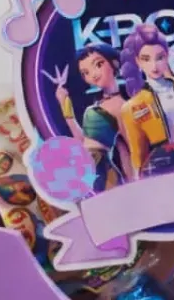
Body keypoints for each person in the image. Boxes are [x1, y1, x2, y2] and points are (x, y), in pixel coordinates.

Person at [120, 23, 174, 177]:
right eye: (146, 59)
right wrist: (138, 183)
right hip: (161, 169)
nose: (154, 65)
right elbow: (138, 154)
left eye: (159, 57)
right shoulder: (132, 106)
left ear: (167, 56)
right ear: (138, 61)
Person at [55, 44, 129, 191]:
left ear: (114, 63)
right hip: (90, 170)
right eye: (85, 73)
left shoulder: (121, 106)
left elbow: (127, 150)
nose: (93, 75)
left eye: (98, 65)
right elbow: (82, 142)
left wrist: (134, 181)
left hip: (103, 174)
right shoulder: (97, 105)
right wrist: (64, 105)